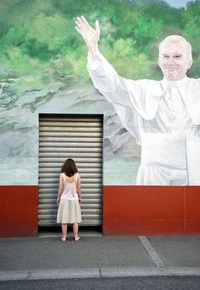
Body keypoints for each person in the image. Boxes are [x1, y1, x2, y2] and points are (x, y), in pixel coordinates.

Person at [75, 16, 200, 186]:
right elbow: (113, 85)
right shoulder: (145, 89)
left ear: (189, 62)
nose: (170, 62)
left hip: (192, 169)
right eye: (166, 56)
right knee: (151, 212)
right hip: (153, 171)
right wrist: (94, 50)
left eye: (177, 56)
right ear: (159, 60)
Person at [57, 158, 82, 241]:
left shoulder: (62, 175)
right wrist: (80, 197)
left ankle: (64, 237)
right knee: (75, 219)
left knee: (64, 219)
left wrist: (58, 197)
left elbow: (60, 188)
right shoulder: (77, 175)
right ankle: (76, 237)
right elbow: (78, 188)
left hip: (64, 199)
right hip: (74, 199)